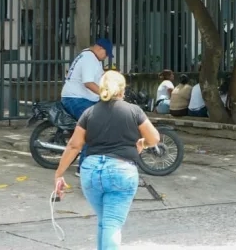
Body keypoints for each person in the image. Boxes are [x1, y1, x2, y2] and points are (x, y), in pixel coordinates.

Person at [53, 70, 161, 250]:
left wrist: (59, 173)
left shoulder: (89, 113)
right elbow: (154, 138)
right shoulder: (134, 111)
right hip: (121, 171)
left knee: (105, 221)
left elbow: (74, 145)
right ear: (122, 90)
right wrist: (142, 142)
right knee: (112, 223)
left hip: (91, 172)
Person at [60, 38, 113, 174]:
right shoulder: (89, 58)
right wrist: (105, 93)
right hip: (76, 98)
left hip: (85, 98)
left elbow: (100, 79)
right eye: (106, 53)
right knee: (93, 126)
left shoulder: (93, 58)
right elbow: (88, 82)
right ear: (100, 48)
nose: (106, 57)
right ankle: (83, 168)